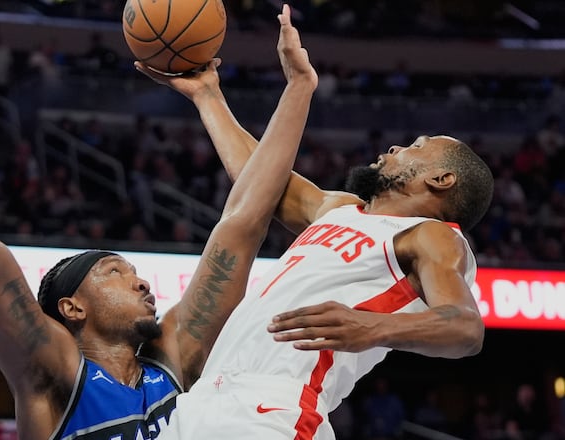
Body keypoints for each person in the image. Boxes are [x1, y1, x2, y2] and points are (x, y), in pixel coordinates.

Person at [0, 9, 317, 440]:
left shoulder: (172, 363)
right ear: (72, 308)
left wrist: (229, 95)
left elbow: (243, 223)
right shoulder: (55, 377)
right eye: (115, 272)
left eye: (133, 272)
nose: (142, 283)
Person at [138, 5, 493, 439]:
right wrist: (208, 95)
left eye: (417, 146)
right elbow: (259, 179)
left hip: (276, 409)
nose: (397, 146)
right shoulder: (342, 208)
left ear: (441, 179)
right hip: (203, 400)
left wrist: (374, 327)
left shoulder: (431, 236)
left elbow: (464, 326)